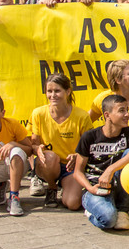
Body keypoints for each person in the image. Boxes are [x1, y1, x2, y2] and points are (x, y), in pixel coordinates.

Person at [75, 94, 129, 230]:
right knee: (108, 220)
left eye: (127, 110)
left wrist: (110, 170)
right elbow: (77, 172)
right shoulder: (89, 136)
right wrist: (90, 188)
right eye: (121, 110)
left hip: (117, 186)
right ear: (107, 115)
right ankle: (91, 211)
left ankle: (123, 209)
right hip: (96, 189)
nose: (127, 114)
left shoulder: (128, 132)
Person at [29, 73, 93, 209]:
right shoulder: (38, 114)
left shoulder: (82, 116)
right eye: (49, 91)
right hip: (48, 164)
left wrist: (77, 156)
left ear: (68, 91)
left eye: (57, 91)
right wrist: (37, 149)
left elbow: (90, 146)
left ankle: (67, 187)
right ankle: (51, 188)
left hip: (71, 166)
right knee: (50, 157)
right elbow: (33, 144)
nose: (53, 95)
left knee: (73, 204)